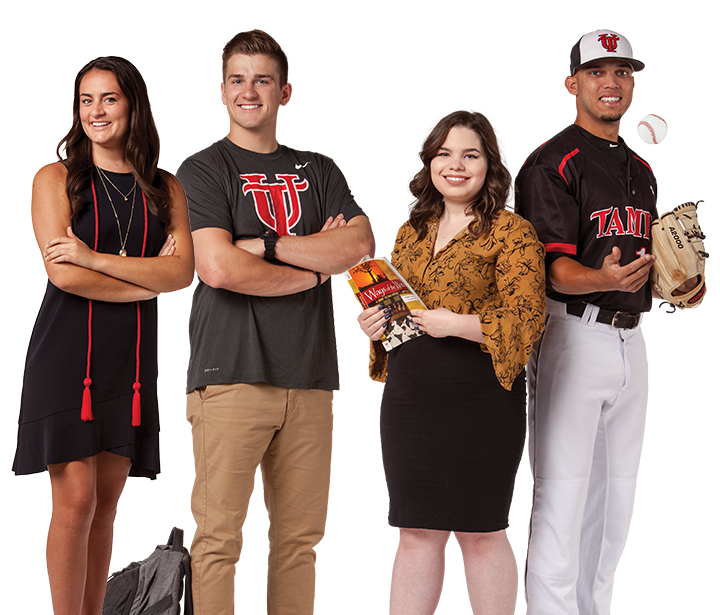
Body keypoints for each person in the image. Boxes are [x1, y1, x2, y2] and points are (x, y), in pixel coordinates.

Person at [175, 30, 374, 615]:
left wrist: (261, 246)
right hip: (230, 371)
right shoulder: (204, 168)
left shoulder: (319, 168)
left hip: (309, 376)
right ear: (221, 91)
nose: (249, 91)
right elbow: (216, 266)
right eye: (237, 79)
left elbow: (358, 243)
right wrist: (314, 264)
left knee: (299, 543)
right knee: (217, 542)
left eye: (262, 79)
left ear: (284, 91)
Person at [514, 29, 696, 615]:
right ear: (573, 84)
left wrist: (674, 281)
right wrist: (603, 280)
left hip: (631, 341)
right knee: (563, 499)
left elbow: (643, 256)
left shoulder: (641, 167)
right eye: (597, 72)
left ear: (633, 83)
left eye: (621, 72)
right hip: (572, 332)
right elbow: (548, 270)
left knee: (615, 507)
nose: (611, 82)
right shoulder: (551, 162)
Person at [12, 56, 194, 615]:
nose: (97, 111)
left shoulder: (165, 187)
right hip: (67, 358)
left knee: (106, 506)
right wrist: (145, 281)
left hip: (130, 363)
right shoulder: (55, 179)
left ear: (132, 104)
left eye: (109, 98)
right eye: (86, 100)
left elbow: (182, 272)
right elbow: (63, 273)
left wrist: (96, 259)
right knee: (76, 500)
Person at [358, 110, 546, 615]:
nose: (456, 165)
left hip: (481, 400)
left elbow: (527, 322)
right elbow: (400, 317)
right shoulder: (411, 230)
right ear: (430, 162)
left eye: (470, 154)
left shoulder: (512, 232)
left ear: (489, 165)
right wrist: (375, 327)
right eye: (444, 153)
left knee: (480, 531)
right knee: (415, 530)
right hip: (411, 398)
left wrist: (456, 323)